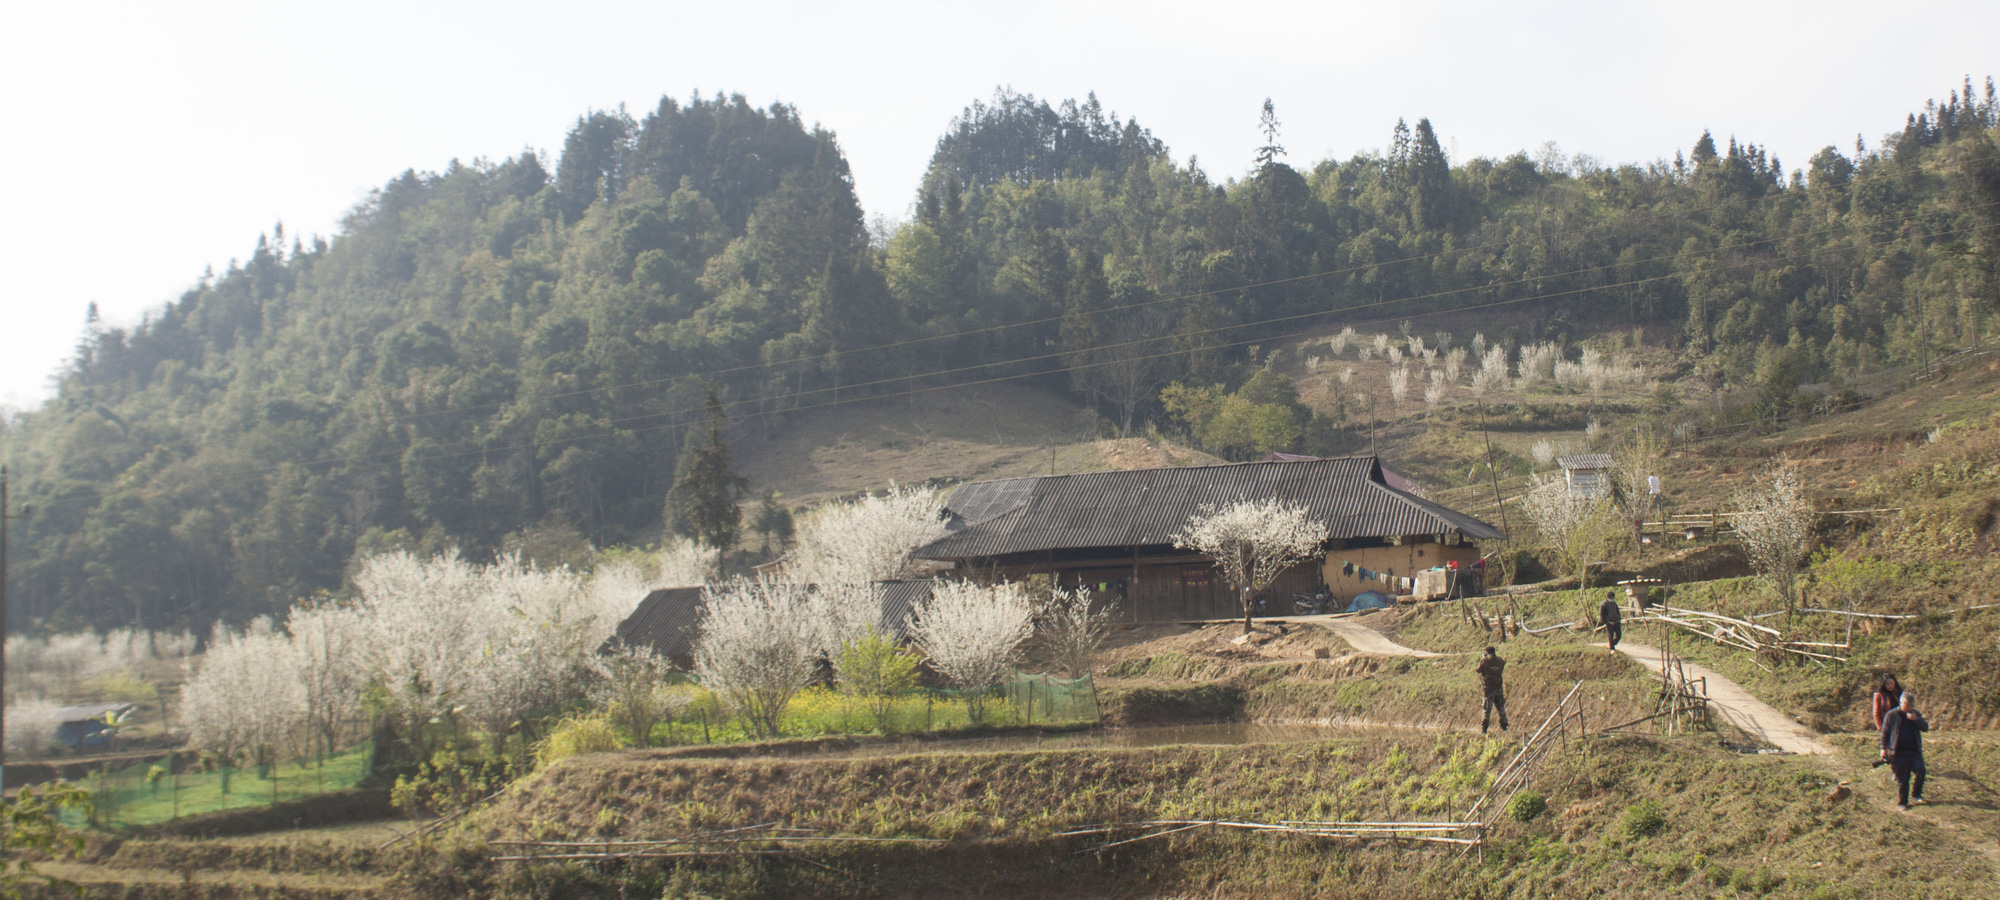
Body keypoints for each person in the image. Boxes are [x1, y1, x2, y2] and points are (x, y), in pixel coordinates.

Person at [1880, 691, 1929, 810]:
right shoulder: (1891, 715)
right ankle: (1903, 803)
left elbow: (1925, 728)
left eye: (1912, 705)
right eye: (1907, 705)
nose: (1910, 708)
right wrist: (1883, 748)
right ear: (1901, 703)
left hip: (1914, 752)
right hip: (1898, 753)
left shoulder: (1915, 714)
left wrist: (1916, 719)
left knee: (1921, 770)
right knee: (1903, 779)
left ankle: (1916, 794)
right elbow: (1884, 732)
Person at [1476, 646, 1509, 733]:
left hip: (1488, 689)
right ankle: (1504, 726)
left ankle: (1484, 729)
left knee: (1486, 709)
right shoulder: (1500, 661)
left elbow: (1478, 670)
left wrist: (1483, 658)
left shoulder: (1485, 661)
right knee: (1501, 708)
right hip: (1498, 688)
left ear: (1486, 652)